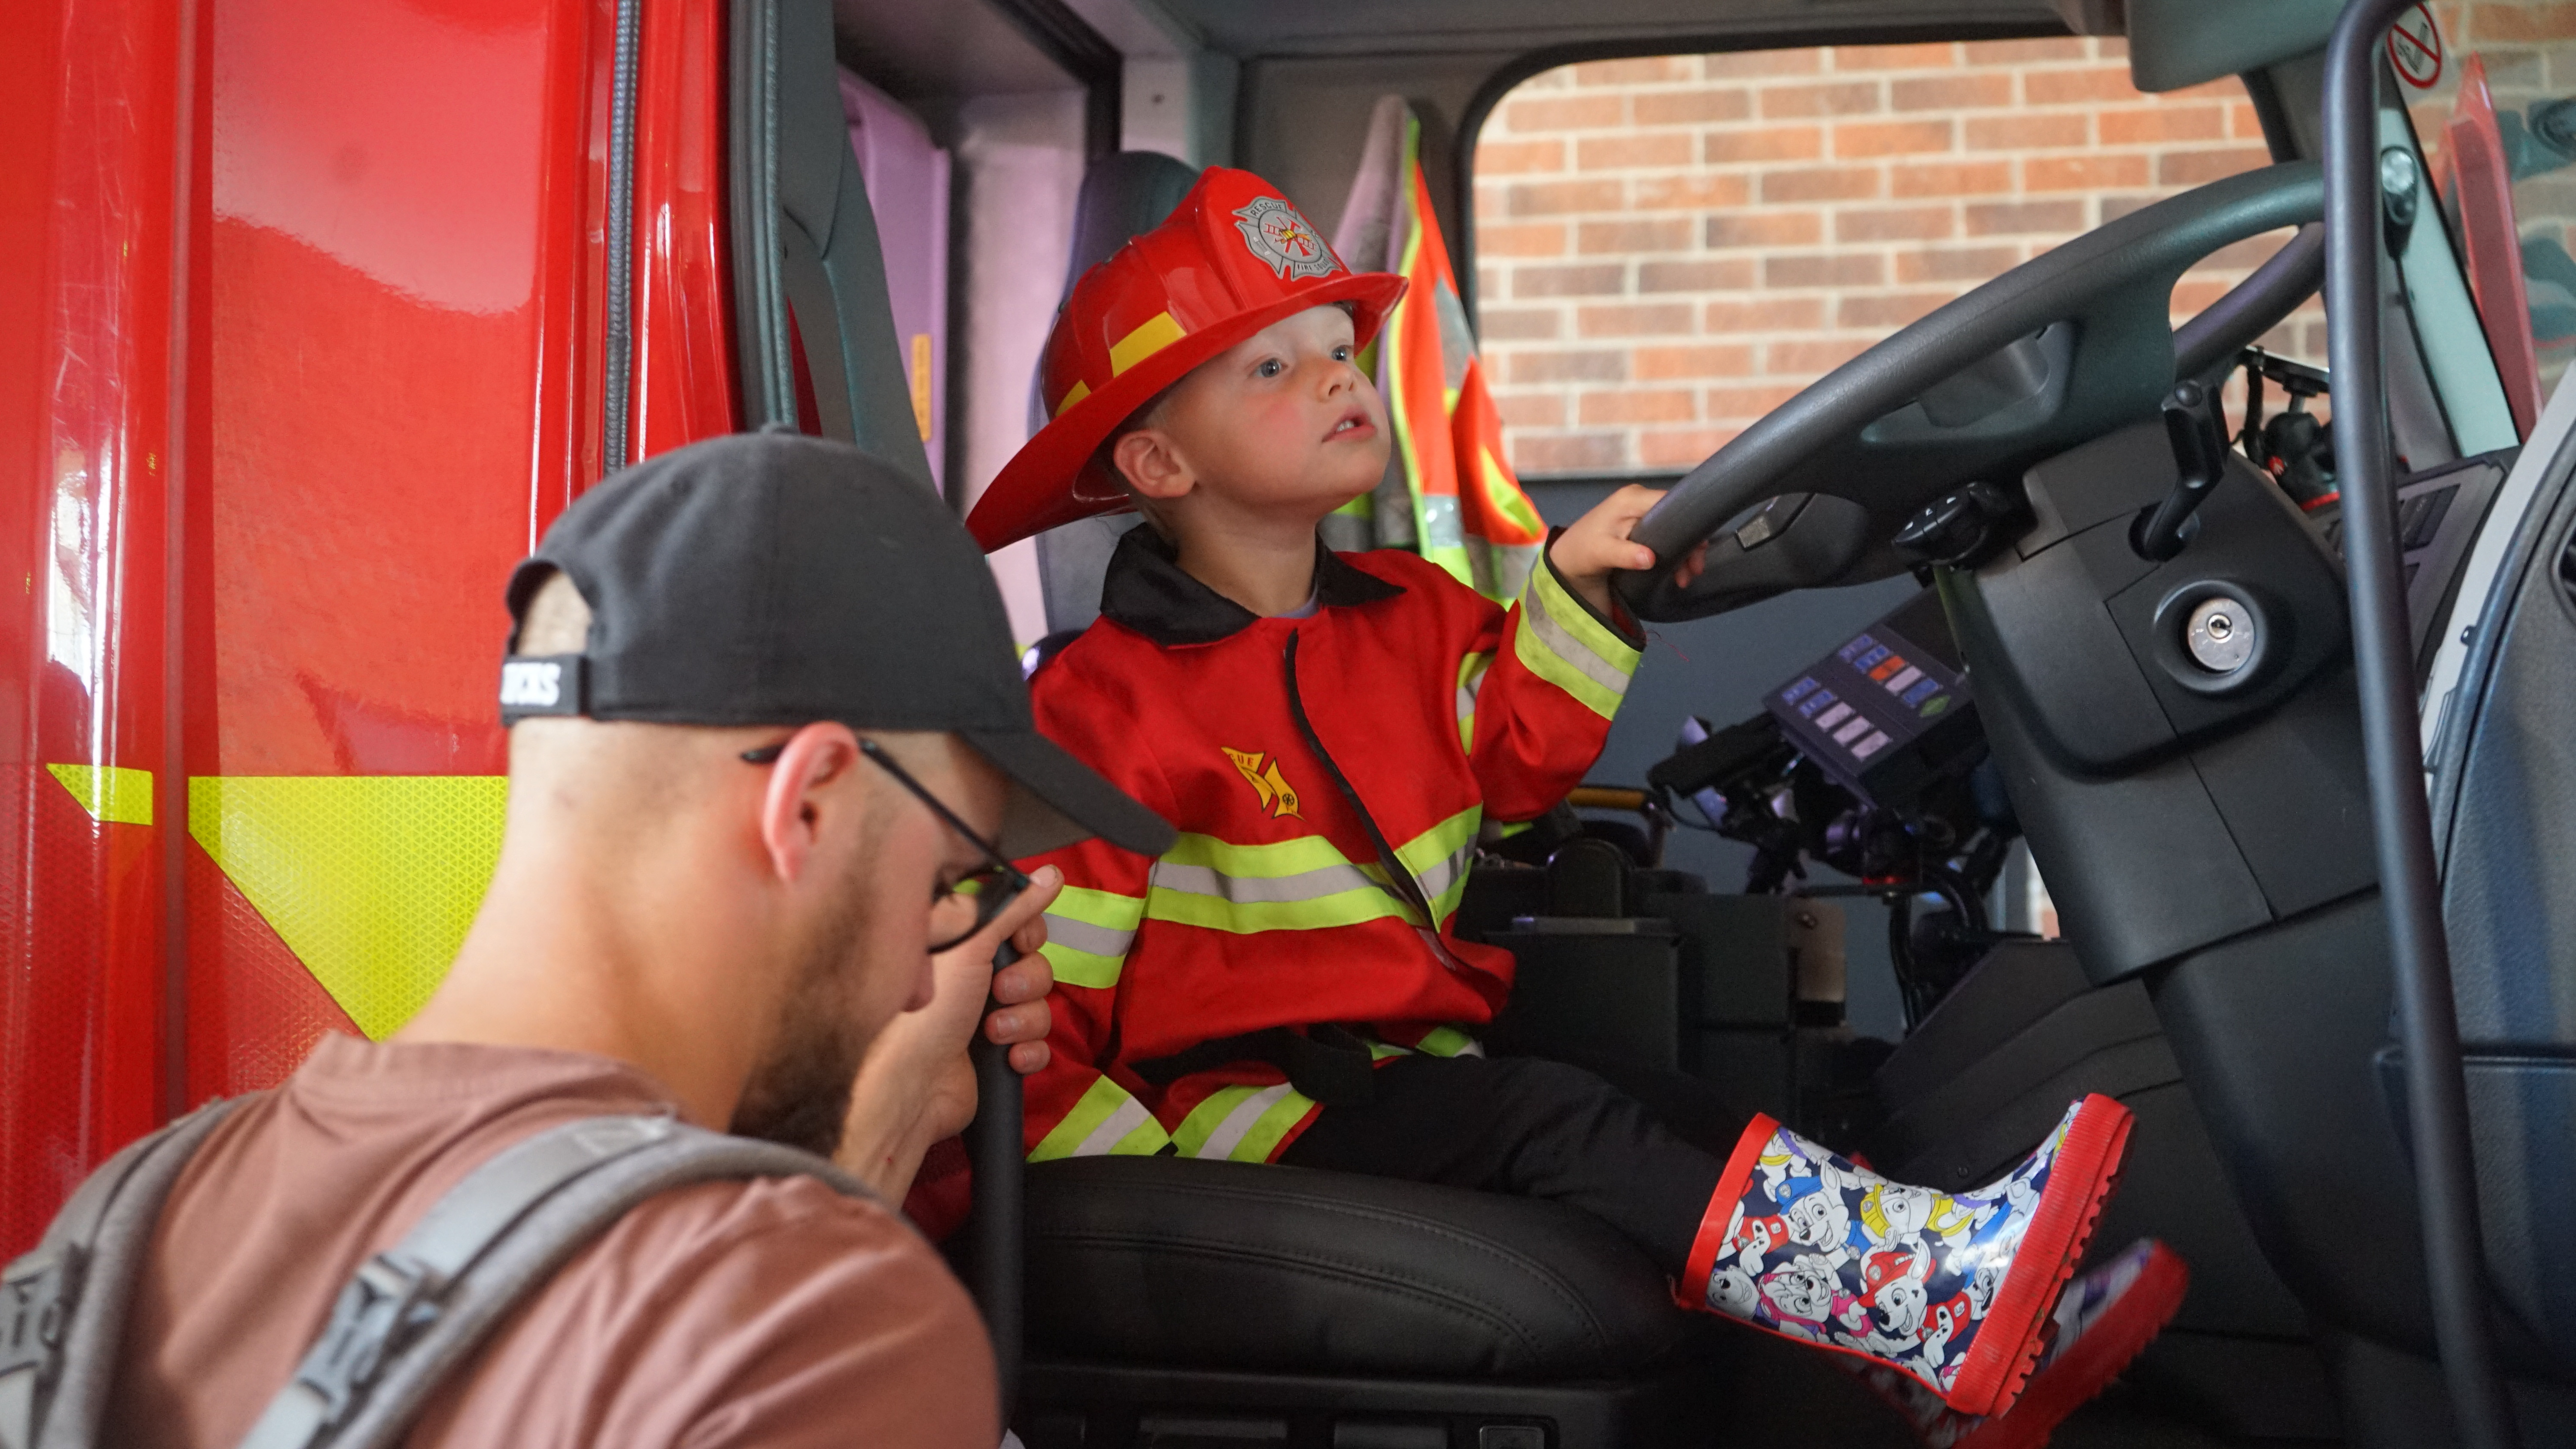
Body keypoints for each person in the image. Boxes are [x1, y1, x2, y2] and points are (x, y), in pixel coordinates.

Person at [960, 167, 2168, 1428]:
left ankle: (1914, 1347)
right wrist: (1135, 1189)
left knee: (1684, 1107)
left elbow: (1513, 760)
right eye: (1269, 369)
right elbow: (1048, 989)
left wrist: (1578, 593)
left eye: (1336, 346)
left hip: (1405, 1066)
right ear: (1156, 459)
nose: (1336, 376)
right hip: (1244, 1114)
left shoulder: (1414, 612)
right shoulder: (1104, 711)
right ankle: (1923, 1298)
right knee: (1557, 1120)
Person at [103, 432, 1171, 1449]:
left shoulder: (144, 1219)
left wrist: (880, 1128)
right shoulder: (811, 1331)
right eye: (947, 881)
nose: (913, 984)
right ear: (807, 805)